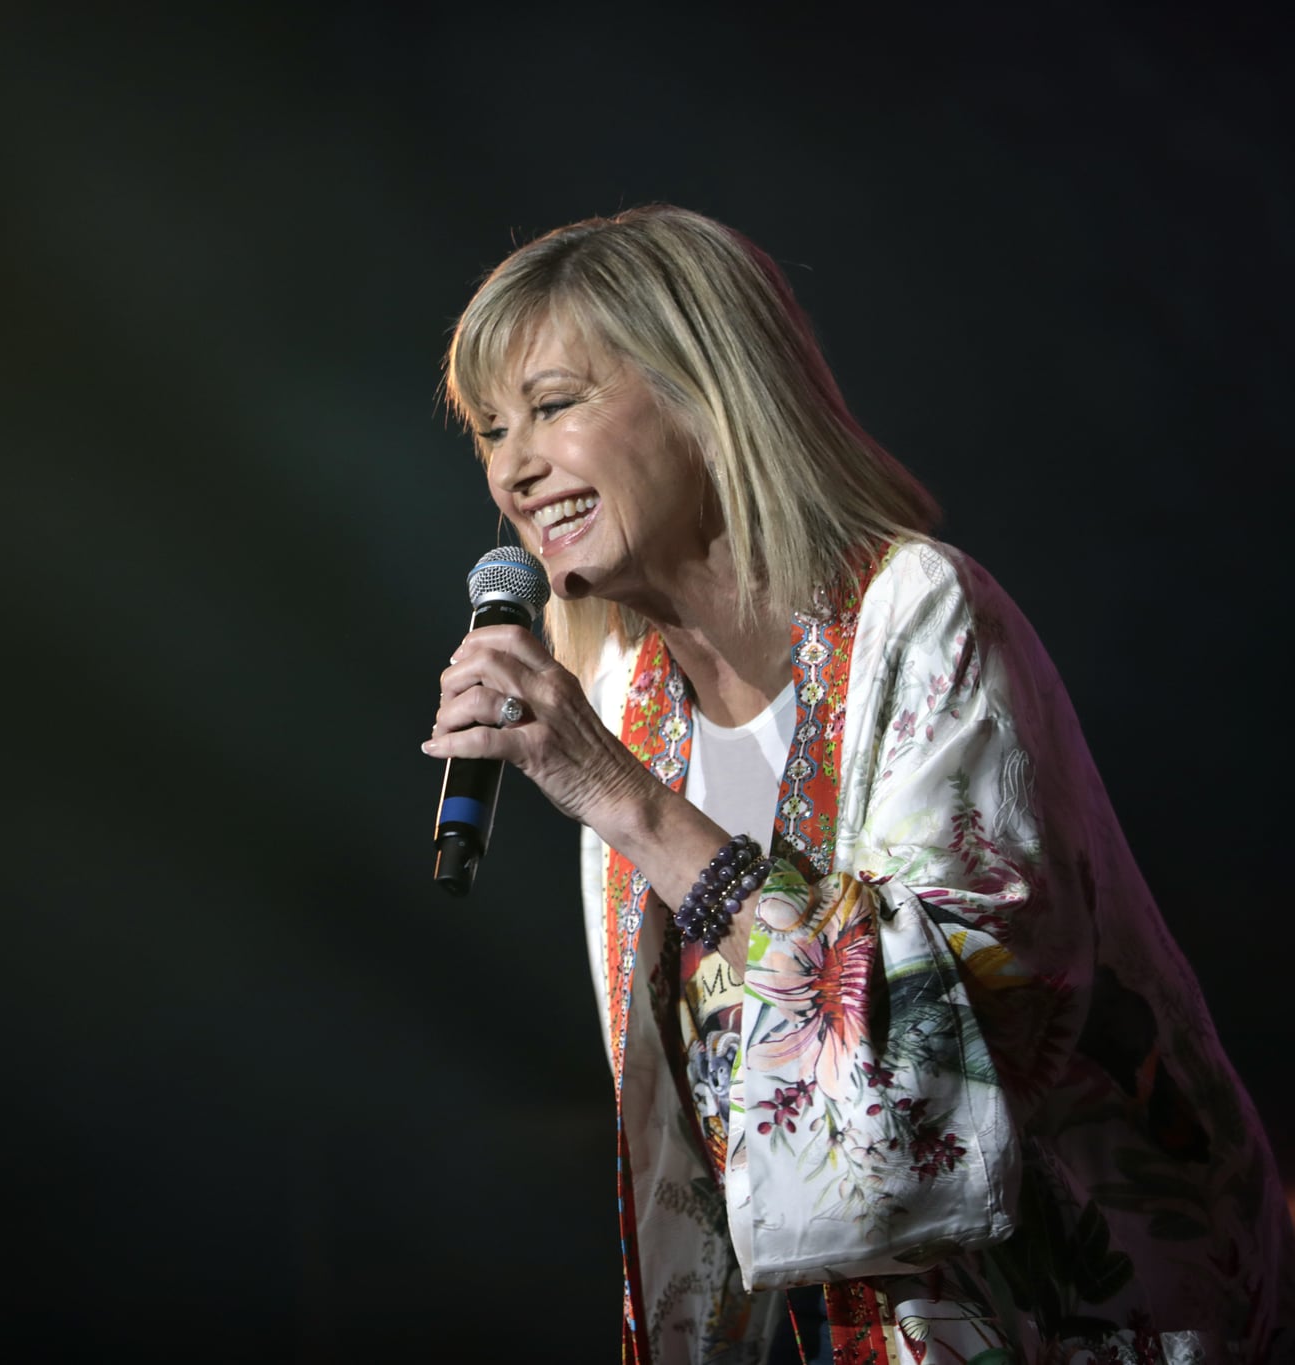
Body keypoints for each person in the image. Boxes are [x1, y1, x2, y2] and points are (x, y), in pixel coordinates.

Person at [420, 206, 1293, 1365]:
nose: (513, 467)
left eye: (553, 404)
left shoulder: (920, 616)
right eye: (489, 428)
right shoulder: (627, 699)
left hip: (1097, 1318)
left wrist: (626, 804)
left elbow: (947, 1054)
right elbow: (704, 1132)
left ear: (704, 388)